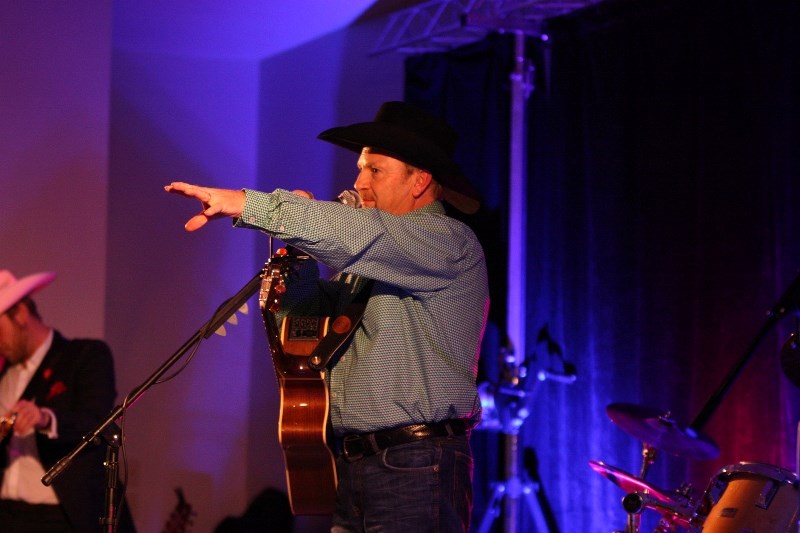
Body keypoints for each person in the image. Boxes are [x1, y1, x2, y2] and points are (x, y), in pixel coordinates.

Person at [166, 100, 489, 532]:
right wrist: (297, 256)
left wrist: (248, 204)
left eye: (375, 170)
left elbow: (361, 235)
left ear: (420, 181)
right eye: (360, 168)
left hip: (416, 461)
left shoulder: (448, 240)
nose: (359, 181)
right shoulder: (369, 261)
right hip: (354, 464)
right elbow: (304, 327)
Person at [0, 269, 135, 532]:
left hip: (59, 516)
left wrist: (46, 419)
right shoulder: (4, 372)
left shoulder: (84, 356)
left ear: (20, 314)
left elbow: (97, 420)